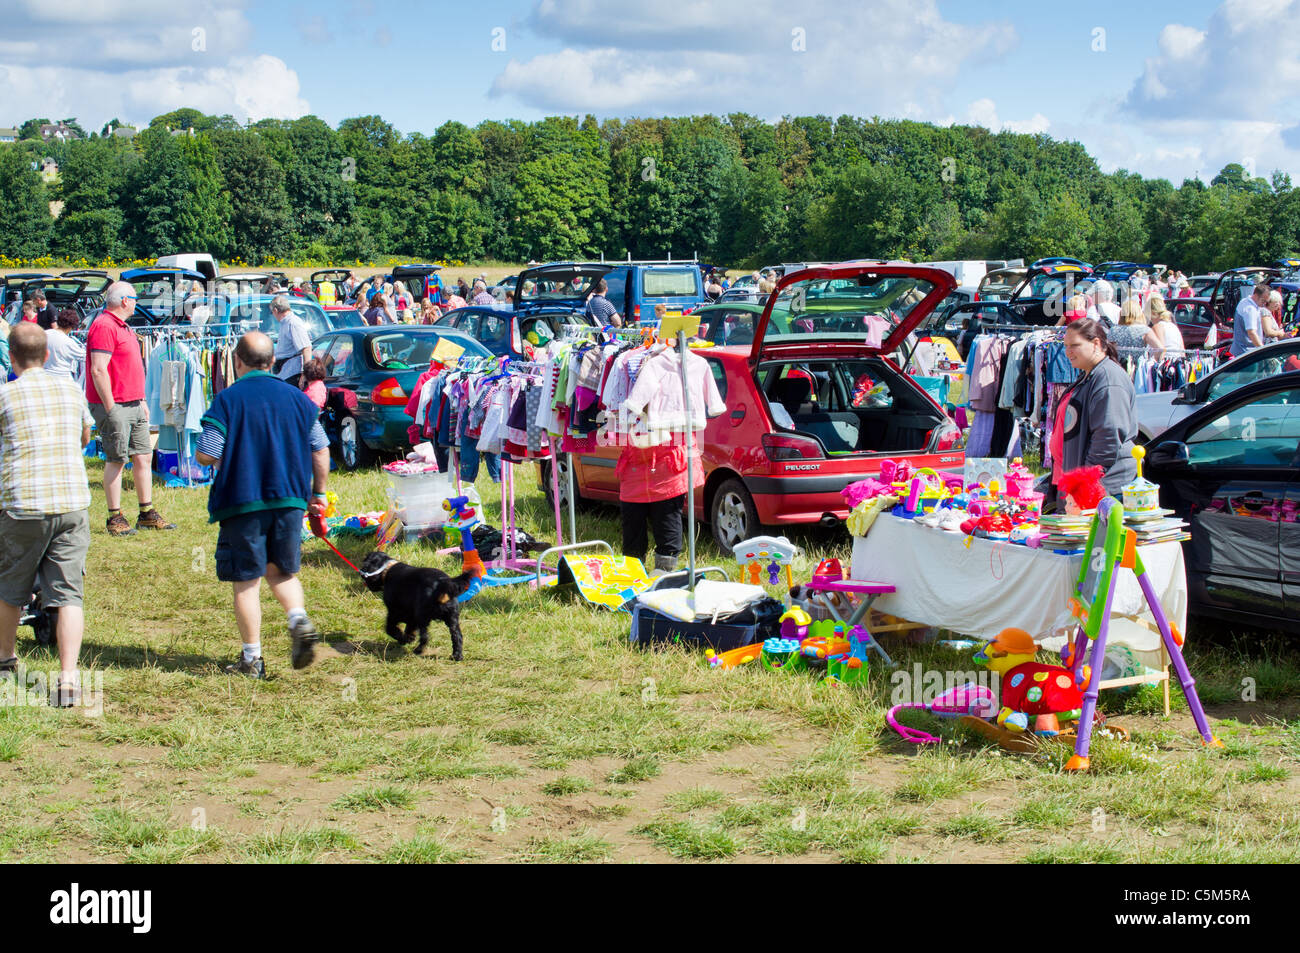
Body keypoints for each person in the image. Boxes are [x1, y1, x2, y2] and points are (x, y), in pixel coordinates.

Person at [195, 332, 330, 678]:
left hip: (243, 502)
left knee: (247, 580)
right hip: (289, 501)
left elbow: (208, 453)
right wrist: (319, 494)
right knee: (281, 571)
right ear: (273, 362)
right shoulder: (299, 401)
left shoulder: (227, 400)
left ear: (237, 361)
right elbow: (320, 450)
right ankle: (298, 619)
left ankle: (251, 660)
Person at [0, 323, 93, 706]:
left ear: (11, 356)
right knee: (69, 594)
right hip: (71, 501)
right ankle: (68, 679)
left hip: (24, 503)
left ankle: (6, 660)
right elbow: (85, 437)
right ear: (49, 354)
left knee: (9, 589)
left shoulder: (5, 395)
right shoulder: (71, 390)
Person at [86, 281, 175, 537]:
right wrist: (110, 406)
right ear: (124, 300)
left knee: (143, 456)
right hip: (115, 404)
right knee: (116, 459)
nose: (136, 302)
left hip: (133, 402)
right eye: (134, 298)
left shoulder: (121, 326)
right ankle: (115, 517)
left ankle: (146, 513)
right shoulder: (104, 326)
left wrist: (141, 400)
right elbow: (98, 369)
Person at [1043, 318, 1138, 508]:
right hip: (1081, 484)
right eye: (1066, 345)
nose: (1068, 351)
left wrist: (1084, 481)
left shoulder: (1108, 378)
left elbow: (1108, 435)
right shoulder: (1089, 373)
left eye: (1075, 345)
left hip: (1100, 489)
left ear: (1096, 344)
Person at [270, 294, 312, 388]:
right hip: (285, 372)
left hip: (292, 374)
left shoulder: (293, 323)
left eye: (271, 312)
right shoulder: (285, 322)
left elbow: (306, 348)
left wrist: (305, 374)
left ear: (275, 310)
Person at [44, 308, 85, 380]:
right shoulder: (69, 342)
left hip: (44, 375)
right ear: (71, 327)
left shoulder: (44, 334)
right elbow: (85, 356)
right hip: (62, 377)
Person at [1232, 281, 1270, 357]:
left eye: (1266, 302)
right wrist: (1263, 351)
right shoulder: (1250, 309)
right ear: (1256, 295)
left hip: (1241, 350)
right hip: (1247, 352)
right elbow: (1251, 332)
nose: (1264, 304)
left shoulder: (1244, 301)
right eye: (1263, 301)